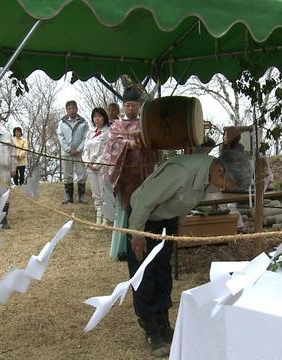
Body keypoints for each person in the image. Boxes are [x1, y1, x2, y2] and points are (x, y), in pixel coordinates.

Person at [127, 150, 251, 356]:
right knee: (144, 275)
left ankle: (163, 325)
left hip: (166, 221)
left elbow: (183, 203)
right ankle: (150, 330)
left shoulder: (208, 175)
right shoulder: (181, 172)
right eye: (225, 184)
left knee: (163, 273)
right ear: (220, 170)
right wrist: (136, 234)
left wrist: (178, 226)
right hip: (143, 219)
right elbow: (144, 201)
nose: (221, 189)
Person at [101, 87, 159, 261]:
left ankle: (143, 243)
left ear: (139, 106)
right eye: (127, 105)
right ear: (123, 106)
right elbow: (112, 143)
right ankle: (121, 249)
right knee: (124, 210)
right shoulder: (117, 124)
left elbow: (153, 142)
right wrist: (128, 144)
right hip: (124, 175)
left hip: (143, 173)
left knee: (142, 208)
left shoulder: (145, 123)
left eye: (134, 105)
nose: (131, 109)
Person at [82, 108, 110, 226]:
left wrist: (97, 164)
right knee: (96, 194)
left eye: (99, 116)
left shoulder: (108, 132)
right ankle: (98, 220)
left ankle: (106, 219)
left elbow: (107, 150)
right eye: (95, 117)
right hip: (90, 167)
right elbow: (85, 150)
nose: (97, 119)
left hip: (102, 167)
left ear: (104, 117)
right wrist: (88, 163)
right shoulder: (90, 132)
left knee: (103, 193)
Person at [57, 100, 89, 203]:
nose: (71, 110)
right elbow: (60, 137)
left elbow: (86, 137)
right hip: (67, 153)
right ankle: (68, 197)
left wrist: (79, 149)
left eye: (73, 108)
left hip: (79, 153)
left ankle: (82, 197)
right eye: (69, 108)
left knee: (81, 174)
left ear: (76, 109)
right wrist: (68, 149)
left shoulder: (83, 122)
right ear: (66, 110)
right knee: (67, 175)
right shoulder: (62, 123)